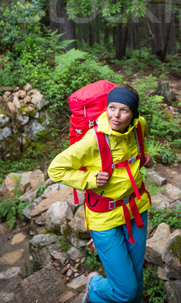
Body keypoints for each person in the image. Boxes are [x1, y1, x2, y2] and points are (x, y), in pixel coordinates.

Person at [48, 85, 153, 303]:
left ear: (134, 114)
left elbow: (138, 148)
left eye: (124, 110)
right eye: (112, 107)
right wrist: (89, 179)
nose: (116, 115)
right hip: (104, 218)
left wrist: (145, 156)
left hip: (136, 209)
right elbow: (55, 169)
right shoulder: (93, 140)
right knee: (125, 290)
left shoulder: (139, 126)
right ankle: (94, 287)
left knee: (136, 280)